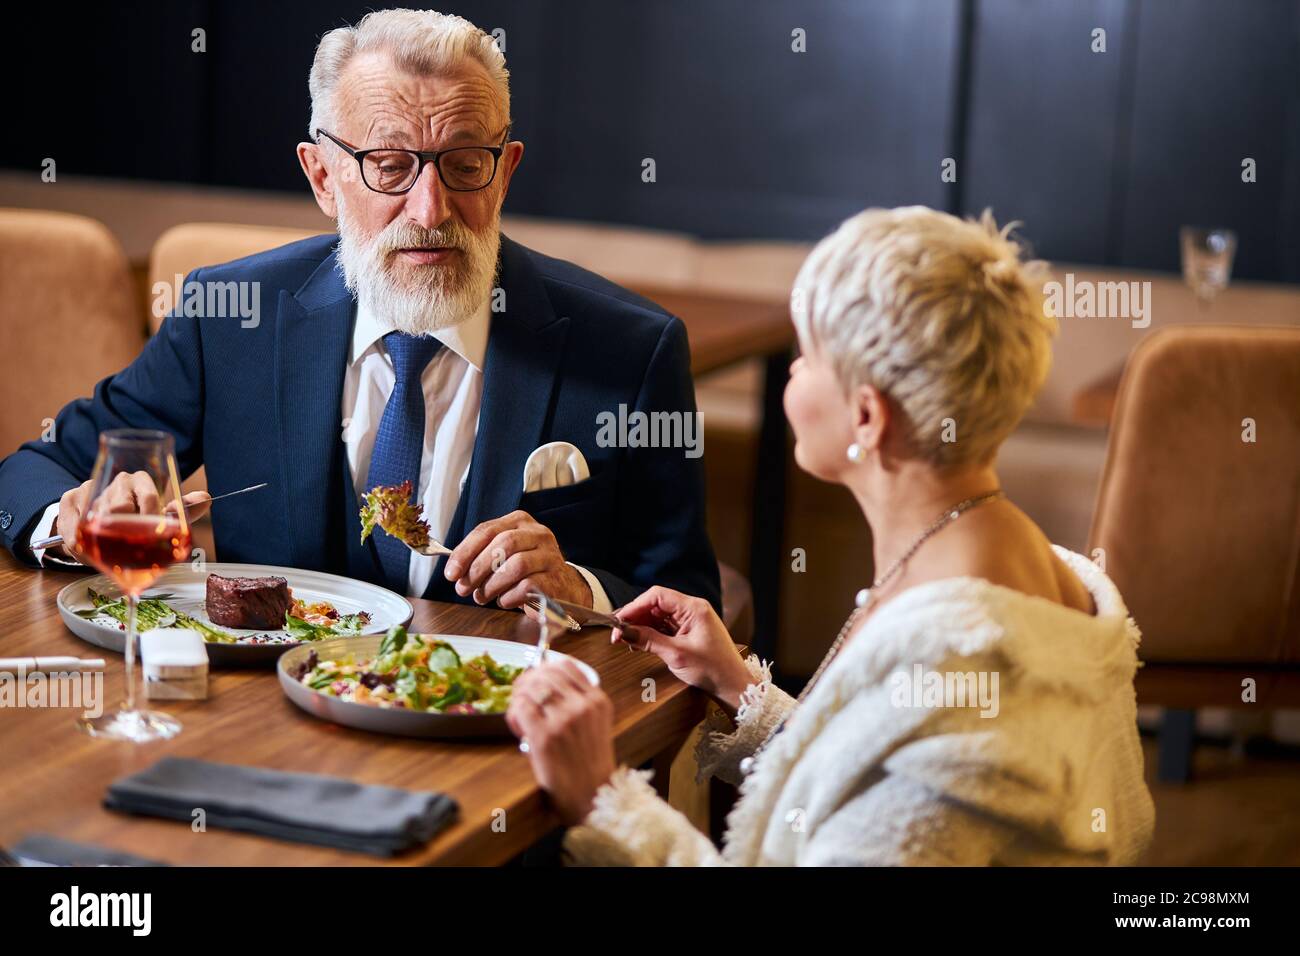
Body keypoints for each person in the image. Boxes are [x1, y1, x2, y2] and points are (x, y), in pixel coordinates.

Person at [0, 9, 719, 613]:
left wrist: (579, 590)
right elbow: (33, 471)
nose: (430, 209)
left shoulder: (630, 352)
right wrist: (71, 520)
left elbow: (690, 602)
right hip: (264, 737)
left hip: (499, 744)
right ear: (322, 176)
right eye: (390, 165)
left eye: (465, 164)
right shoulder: (230, 319)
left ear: (504, 173)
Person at [507, 206, 1156, 865]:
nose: (791, 374)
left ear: (867, 416)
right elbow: (875, 789)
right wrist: (741, 690)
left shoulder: (957, 663)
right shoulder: (1024, 565)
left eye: (808, 357)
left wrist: (601, 801)